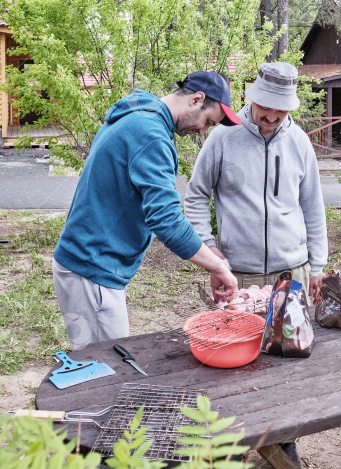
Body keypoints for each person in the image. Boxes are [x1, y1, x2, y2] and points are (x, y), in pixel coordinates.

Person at [184, 62, 329, 469]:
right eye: (265, 109)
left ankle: (285, 446)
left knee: (287, 364)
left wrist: (316, 265)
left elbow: (313, 208)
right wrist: (209, 250)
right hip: (238, 273)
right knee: (236, 367)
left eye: (279, 113)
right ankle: (229, 448)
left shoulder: (300, 142)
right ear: (252, 99)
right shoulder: (221, 136)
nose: (270, 118)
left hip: (292, 269)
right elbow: (195, 197)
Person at [53, 71, 241, 350]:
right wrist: (217, 265)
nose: (202, 132)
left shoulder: (138, 116)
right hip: (91, 271)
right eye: (208, 121)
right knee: (106, 369)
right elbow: (166, 220)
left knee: (98, 365)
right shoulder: (151, 134)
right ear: (196, 99)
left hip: (86, 266)